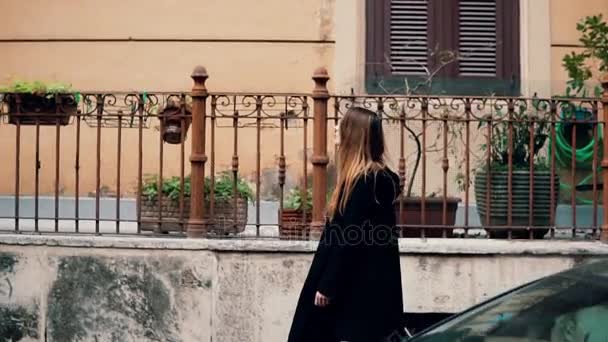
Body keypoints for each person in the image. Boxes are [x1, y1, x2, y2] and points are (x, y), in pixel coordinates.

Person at [288, 107, 404, 342]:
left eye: (341, 126)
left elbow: (349, 238)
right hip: (361, 283)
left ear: (353, 135)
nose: (335, 130)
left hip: (356, 286)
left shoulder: (366, 182)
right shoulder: (369, 180)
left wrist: (328, 284)